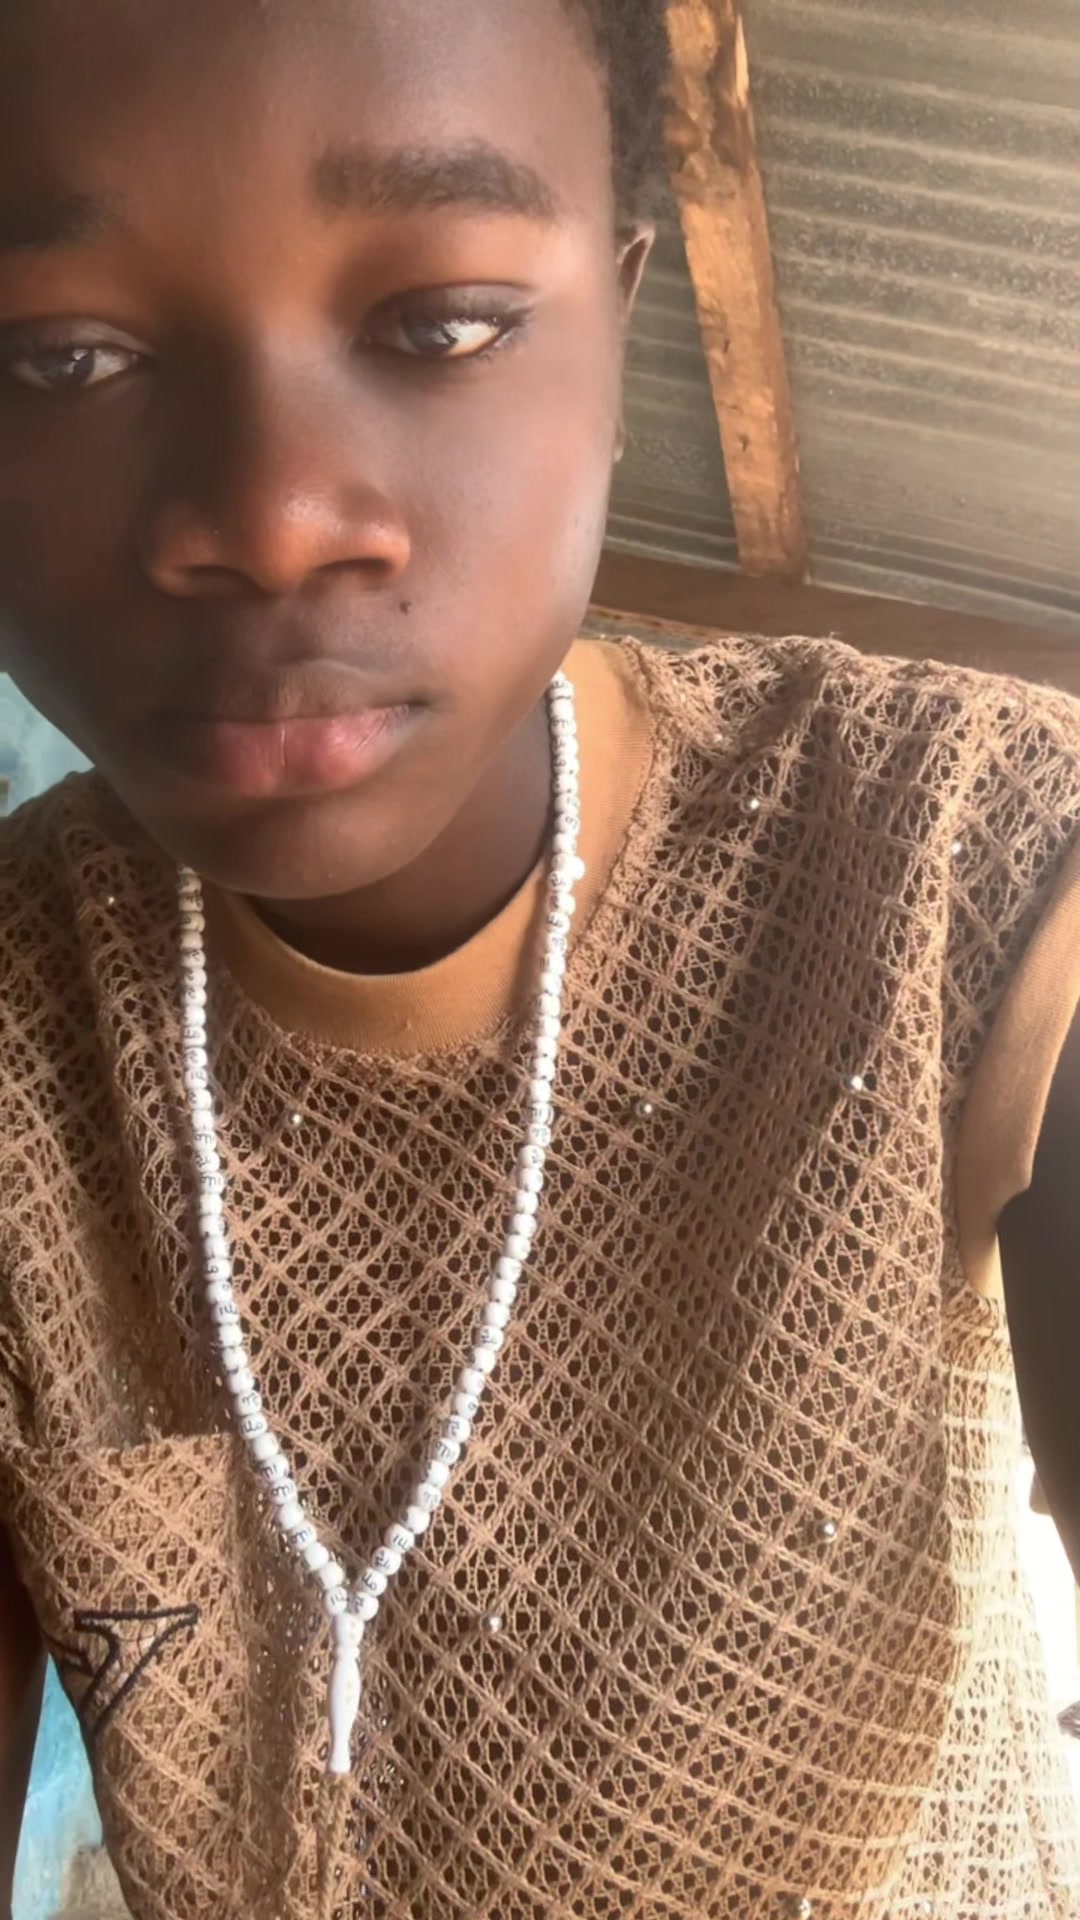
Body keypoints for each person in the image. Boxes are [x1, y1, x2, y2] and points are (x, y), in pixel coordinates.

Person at [0, 0, 1078, 1914]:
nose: (273, 519)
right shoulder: (24, 1032)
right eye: (62, 355)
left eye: (441, 325)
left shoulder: (954, 851)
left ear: (622, 329)